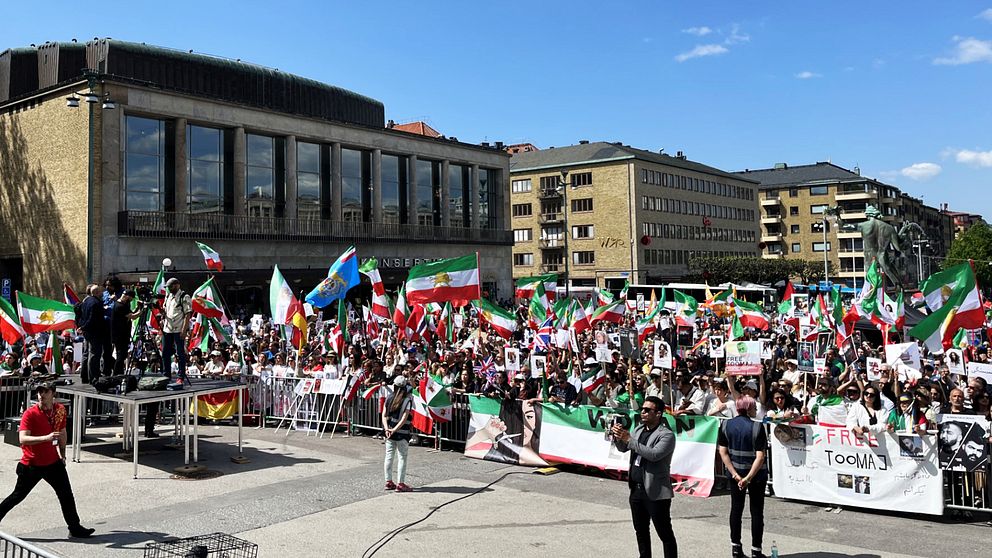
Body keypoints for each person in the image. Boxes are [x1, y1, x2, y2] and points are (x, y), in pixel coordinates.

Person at [0, 381, 94, 538]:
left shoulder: (60, 410)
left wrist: (62, 454)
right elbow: (22, 439)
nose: (41, 395)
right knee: (17, 496)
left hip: (53, 462)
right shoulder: (30, 413)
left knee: (66, 494)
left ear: (53, 394)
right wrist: (46, 438)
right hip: (32, 464)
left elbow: (62, 432)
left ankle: (74, 527)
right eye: (39, 392)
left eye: (45, 391)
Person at [611, 395, 678, 558]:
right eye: (642, 409)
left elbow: (654, 455)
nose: (643, 412)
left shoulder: (666, 435)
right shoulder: (639, 429)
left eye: (648, 410)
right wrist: (618, 437)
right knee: (640, 530)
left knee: (664, 533)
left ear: (659, 414)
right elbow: (624, 448)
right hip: (636, 489)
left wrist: (629, 440)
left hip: (655, 491)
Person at [718, 396, 768, 558]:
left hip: (735, 475)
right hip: (756, 476)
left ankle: (736, 549)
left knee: (736, 510)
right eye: (754, 407)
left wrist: (736, 475)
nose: (756, 410)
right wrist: (748, 478)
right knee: (756, 512)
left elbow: (723, 452)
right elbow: (760, 457)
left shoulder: (725, 425)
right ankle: (756, 551)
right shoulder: (757, 427)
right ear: (748, 409)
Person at [381, 375, 413, 492]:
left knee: (389, 456)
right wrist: (395, 429)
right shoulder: (407, 400)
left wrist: (387, 429)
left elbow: (384, 415)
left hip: (389, 432)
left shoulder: (389, 398)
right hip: (402, 433)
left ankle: (388, 481)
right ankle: (400, 483)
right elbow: (404, 418)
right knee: (402, 458)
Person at [161, 278, 192, 384]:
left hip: (178, 329)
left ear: (177, 285)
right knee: (165, 353)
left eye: (170, 286)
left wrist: (184, 330)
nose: (169, 289)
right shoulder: (168, 296)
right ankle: (166, 374)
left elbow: (188, 314)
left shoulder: (184, 297)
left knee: (180, 353)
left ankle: (181, 376)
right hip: (167, 329)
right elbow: (165, 311)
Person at [77, 284, 109, 383]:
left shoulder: (86, 301)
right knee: (94, 355)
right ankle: (93, 377)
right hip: (95, 332)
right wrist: (84, 327)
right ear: (96, 293)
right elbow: (92, 319)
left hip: (88, 332)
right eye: (100, 291)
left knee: (87, 354)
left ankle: (84, 375)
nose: (102, 293)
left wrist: (82, 327)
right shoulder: (95, 303)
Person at [110, 289, 141, 376]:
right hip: (120, 335)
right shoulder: (120, 306)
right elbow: (133, 316)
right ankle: (117, 373)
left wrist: (138, 308)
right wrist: (142, 311)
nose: (130, 301)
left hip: (122, 334)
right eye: (130, 299)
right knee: (121, 355)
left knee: (122, 354)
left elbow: (130, 312)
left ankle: (119, 372)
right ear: (127, 296)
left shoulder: (122, 305)